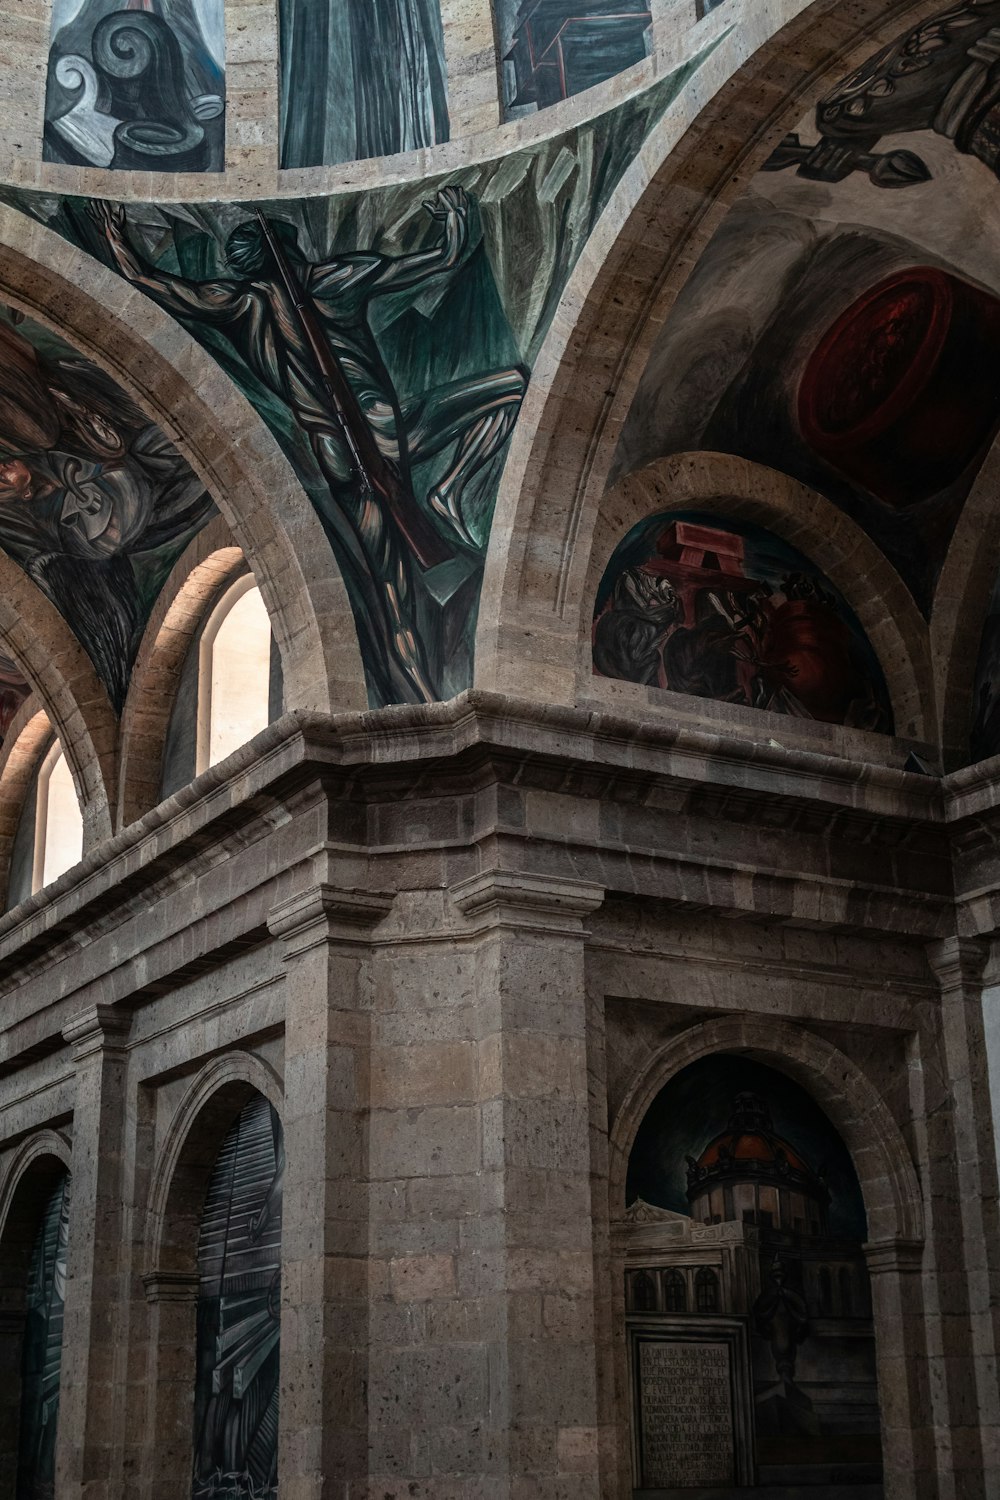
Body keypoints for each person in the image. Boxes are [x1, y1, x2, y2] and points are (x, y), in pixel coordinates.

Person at [91, 190, 527, 704]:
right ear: (292, 247)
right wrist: (455, 220)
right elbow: (443, 258)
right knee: (513, 385)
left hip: (334, 453)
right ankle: (450, 492)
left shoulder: (242, 304)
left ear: (245, 264)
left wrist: (117, 239)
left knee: (392, 594)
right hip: (384, 428)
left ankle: (426, 694)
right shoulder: (335, 280)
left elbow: (149, 282)